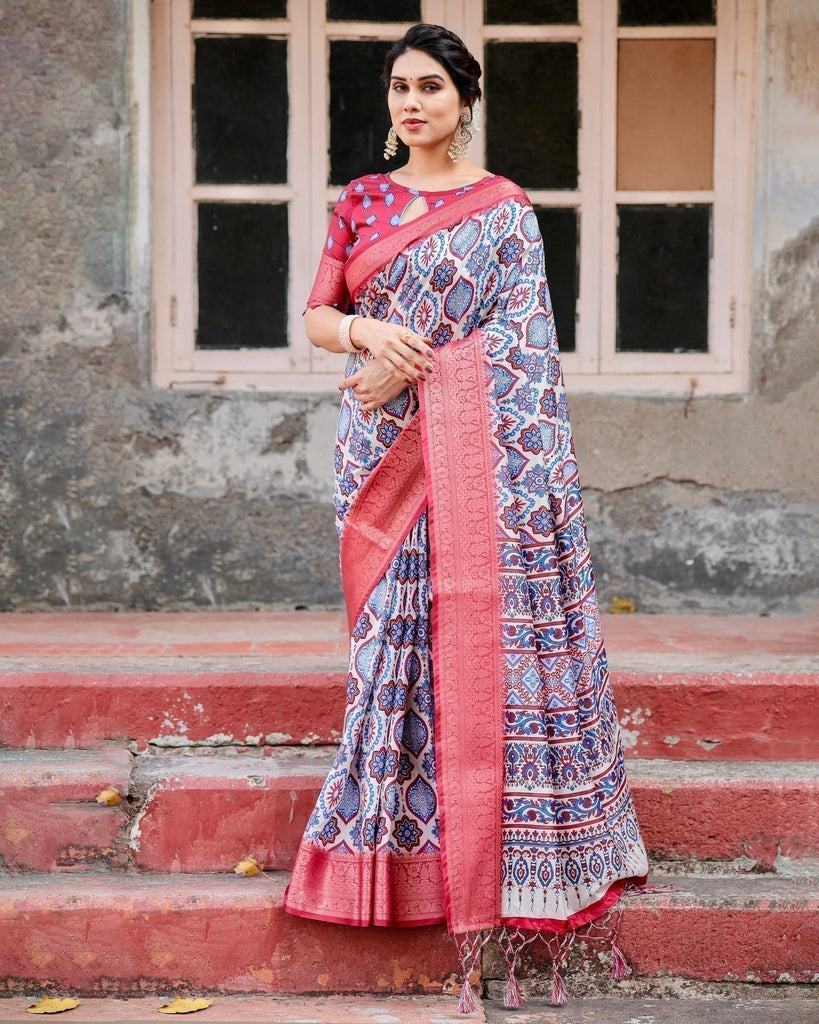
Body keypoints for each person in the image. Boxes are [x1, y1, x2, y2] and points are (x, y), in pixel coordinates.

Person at [284, 23, 648, 1012]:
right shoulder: (362, 199)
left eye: (431, 88)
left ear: (465, 101)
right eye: (400, 86)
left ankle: (488, 874)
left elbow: (524, 352)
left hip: (480, 463)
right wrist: (367, 336)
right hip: (381, 452)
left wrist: (425, 371)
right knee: (391, 644)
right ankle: (388, 861)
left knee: (476, 653)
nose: (412, 103)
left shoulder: (504, 210)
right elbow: (316, 314)